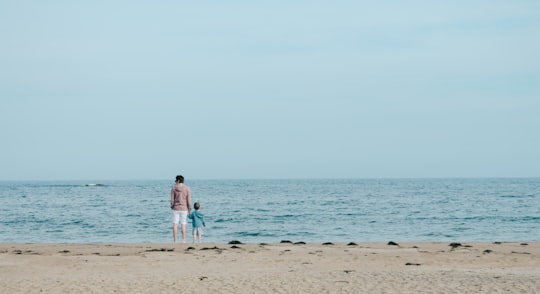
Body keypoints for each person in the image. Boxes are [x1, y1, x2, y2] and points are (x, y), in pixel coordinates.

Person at [170, 175, 192, 243]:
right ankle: (184, 240)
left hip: (176, 208)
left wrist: (172, 206)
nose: (175, 182)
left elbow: (172, 200)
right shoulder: (187, 188)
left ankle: (175, 240)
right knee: (183, 224)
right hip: (184, 208)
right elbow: (188, 200)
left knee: (175, 224)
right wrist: (189, 209)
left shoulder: (173, 188)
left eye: (176, 180)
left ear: (178, 180)